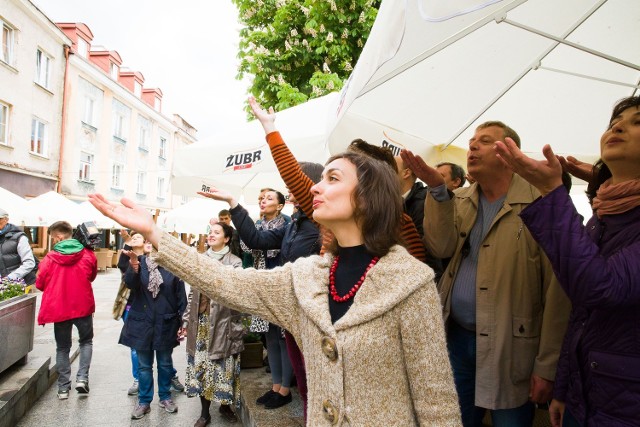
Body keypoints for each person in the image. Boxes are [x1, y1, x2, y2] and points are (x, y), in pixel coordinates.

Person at [88, 147, 463, 425]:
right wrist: (155, 233)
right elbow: (226, 280)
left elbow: (437, 404)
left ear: (367, 197)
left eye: (332, 178)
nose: (315, 188)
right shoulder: (306, 278)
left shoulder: (410, 284)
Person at [401, 121, 571, 427]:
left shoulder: (541, 203)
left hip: (512, 347)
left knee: (510, 420)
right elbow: (440, 247)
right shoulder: (462, 199)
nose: (473, 146)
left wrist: (547, 366)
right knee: (453, 420)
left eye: (485, 141)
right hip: (457, 338)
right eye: (471, 141)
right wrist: (437, 190)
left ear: (509, 152)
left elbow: (558, 294)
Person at [493, 96, 640, 427]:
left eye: (637, 122)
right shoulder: (604, 214)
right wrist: (564, 389)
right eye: (616, 120)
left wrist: (550, 191)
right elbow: (580, 318)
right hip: (584, 397)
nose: (618, 126)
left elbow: (599, 288)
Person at [200, 161, 323, 417]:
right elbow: (256, 240)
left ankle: (290, 394)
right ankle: (279, 387)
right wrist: (233, 203)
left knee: (302, 361)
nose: (287, 189)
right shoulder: (294, 224)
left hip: (306, 304)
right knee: (277, 343)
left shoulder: (316, 224)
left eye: (292, 184)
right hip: (284, 299)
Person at [181, 223, 244, 426]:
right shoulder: (200, 259)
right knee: (201, 366)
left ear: (226, 238)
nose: (211, 235)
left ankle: (225, 405)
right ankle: (205, 413)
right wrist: (185, 319)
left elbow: (235, 293)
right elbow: (193, 293)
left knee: (224, 366)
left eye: (217, 233)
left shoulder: (235, 262)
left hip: (224, 324)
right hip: (201, 323)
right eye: (210, 232)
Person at [121, 239, 187, 419]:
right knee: (144, 366)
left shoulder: (173, 266)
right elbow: (130, 283)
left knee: (165, 364)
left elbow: (181, 296)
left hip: (166, 321)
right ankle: (144, 402)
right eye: (146, 240)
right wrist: (134, 265)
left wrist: (184, 322)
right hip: (142, 322)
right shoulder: (139, 262)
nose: (149, 242)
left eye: (153, 240)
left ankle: (165, 397)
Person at [35, 221, 97, 400]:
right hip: (82, 306)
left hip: (59, 308)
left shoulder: (50, 258)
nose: (54, 241)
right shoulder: (88, 254)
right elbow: (91, 276)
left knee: (62, 347)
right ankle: (82, 379)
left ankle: (63, 388)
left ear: (59, 236)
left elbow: (40, 283)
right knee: (86, 342)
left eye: (54, 238)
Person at [0, 208, 37, 284]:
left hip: (17, 285)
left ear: (6, 220)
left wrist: (10, 278)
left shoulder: (19, 237)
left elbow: (29, 263)